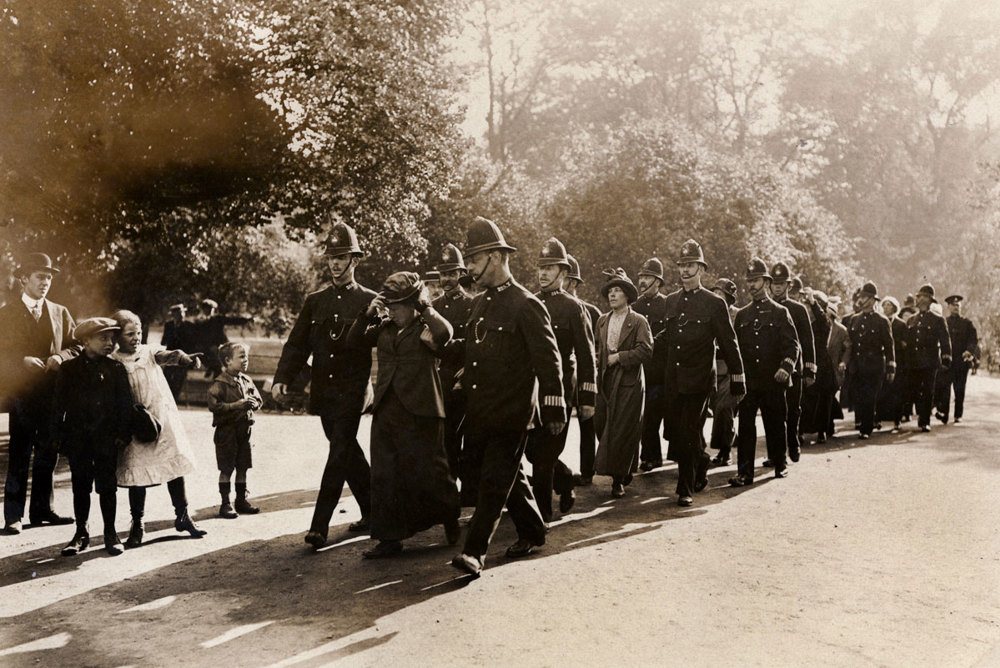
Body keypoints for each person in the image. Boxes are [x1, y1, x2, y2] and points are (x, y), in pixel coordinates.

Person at [445, 216, 564, 577]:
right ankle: (533, 528)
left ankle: (474, 553)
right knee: (497, 474)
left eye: (475, 260)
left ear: (495, 257)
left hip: (512, 412)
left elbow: (549, 359)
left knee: (493, 482)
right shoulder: (481, 303)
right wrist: (442, 348)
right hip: (481, 409)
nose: (470, 268)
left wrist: (553, 406)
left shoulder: (526, 304)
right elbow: (474, 348)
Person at [272, 223, 376, 549]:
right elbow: (297, 345)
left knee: (339, 451)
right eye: (331, 256)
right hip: (324, 391)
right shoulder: (315, 300)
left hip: (352, 390)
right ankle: (377, 511)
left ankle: (319, 526)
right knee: (347, 452)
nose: (334, 263)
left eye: (341, 256)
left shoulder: (370, 301)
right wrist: (282, 378)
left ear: (354, 260)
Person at [346, 272, 460, 558]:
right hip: (387, 407)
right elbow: (353, 343)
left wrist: (426, 307)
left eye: (398, 305)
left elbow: (446, 333)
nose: (392, 310)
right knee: (384, 473)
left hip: (422, 409)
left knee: (431, 471)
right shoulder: (384, 327)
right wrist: (367, 312)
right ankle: (389, 538)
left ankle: (448, 516)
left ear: (413, 304)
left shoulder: (426, 326)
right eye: (389, 305)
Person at [655, 241, 744, 507]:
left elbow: (729, 342)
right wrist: (643, 345)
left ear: (701, 269)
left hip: (700, 380)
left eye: (690, 265)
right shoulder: (671, 301)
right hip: (674, 379)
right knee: (675, 432)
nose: (685, 270)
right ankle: (701, 460)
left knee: (687, 431)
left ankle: (685, 488)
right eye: (681, 265)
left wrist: (739, 377)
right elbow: (668, 337)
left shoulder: (714, 303)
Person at [110, 309, 206, 548]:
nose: (136, 338)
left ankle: (182, 515)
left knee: (172, 464)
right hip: (133, 421)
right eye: (130, 333)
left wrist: (183, 358)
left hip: (160, 416)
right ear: (117, 336)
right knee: (137, 472)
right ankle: (137, 523)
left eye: (139, 332)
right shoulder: (113, 360)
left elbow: (167, 355)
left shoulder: (148, 351)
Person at [1, 253, 78, 535]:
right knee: (20, 453)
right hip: (22, 396)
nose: (45, 282)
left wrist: (61, 356)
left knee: (49, 453)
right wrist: (21, 361)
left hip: (53, 397)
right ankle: (13, 517)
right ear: (24, 279)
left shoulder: (60, 312)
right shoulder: (6, 314)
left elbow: (76, 347)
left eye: (48, 278)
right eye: (40, 277)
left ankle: (43, 510)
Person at [50, 318, 134, 556]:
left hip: (107, 439)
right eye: (103, 338)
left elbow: (125, 405)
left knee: (107, 487)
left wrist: (122, 433)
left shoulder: (116, 369)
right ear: (85, 341)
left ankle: (110, 532)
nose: (110, 343)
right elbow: (58, 406)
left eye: (111, 338)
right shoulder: (69, 370)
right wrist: (57, 436)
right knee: (80, 486)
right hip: (78, 439)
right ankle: (81, 532)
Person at [528, 238, 597, 520]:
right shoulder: (530, 303)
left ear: (564, 274)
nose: (543, 273)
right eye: (541, 268)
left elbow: (586, 355)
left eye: (550, 268)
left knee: (544, 457)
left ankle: (541, 518)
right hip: (530, 389)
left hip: (559, 390)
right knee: (533, 453)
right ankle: (565, 477)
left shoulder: (573, 308)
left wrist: (587, 399)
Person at [729, 258, 799, 486]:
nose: (752, 285)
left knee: (776, 424)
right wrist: (737, 378)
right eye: (749, 280)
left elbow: (793, 345)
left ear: (766, 282)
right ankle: (744, 472)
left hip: (774, 380)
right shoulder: (742, 315)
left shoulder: (780, 312)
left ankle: (780, 464)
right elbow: (736, 348)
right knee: (746, 426)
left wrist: (786, 367)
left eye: (756, 280)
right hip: (750, 382)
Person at [594, 268, 653, 498]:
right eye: (610, 291)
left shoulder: (638, 321)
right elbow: (597, 352)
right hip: (605, 381)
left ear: (627, 296)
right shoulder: (601, 320)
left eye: (618, 291)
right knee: (601, 424)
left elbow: (646, 351)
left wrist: (620, 357)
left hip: (628, 382)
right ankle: (618, 467)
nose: (613, 295)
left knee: (622, 430)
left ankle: (618, 479)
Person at [432, 243, 474, 490]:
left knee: (467, 437)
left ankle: (467, 491)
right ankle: (448, 490)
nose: (446, 279)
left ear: (461, 274)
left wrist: (468, 367)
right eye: (443, 274)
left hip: (464, 380)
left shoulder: (471, 304)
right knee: (444, 439)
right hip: (440, 380)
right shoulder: (434, 307)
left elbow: (475, 342)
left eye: (451, 274)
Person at [208, 342, 263, 518]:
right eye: (241, 357)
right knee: (227, 468)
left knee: (243, 466)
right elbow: (214, 406)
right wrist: (235, 406)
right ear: (228, 361)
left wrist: (255, 404)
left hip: (244, 431)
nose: (245, 360)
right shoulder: (220, 383)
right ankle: (225, 503)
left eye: (246, 356)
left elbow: (258, 400)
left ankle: (241, 500)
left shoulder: (247, 380)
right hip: (227, 432)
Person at [768, 262, 816, 463]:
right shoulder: (768, 308)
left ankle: (793, 442)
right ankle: (776, 454)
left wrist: (810, 369)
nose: (777, 288)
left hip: (794, 368)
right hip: (773, 368)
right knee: (774, 412)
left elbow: (807, 340)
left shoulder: (798, 309)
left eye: (781, 284)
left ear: (788, 286)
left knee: (793, 409)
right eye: (774, 284)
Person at [566, 254, 602, 486]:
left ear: (575, 284)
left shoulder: (591, 311)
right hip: (566, 376)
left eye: (569, 280)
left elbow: (597, 347)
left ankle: (587, 471)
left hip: (587, 375)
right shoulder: (548, 307)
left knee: (588, 425)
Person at [842, 282, 895, 439]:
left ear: (872, 300)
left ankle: (866, 428)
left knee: (870, 396)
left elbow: (889, 345)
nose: (861, 300)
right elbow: (849, 344)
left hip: (874, 366)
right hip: (857, 366)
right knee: (859, 395)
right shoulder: (854, 320)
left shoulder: (882, 321)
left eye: (865, 297)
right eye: (861, 297)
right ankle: (864, 422)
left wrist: (891, 367)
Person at [632, 257, 668, 472]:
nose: (643, 281)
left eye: (648, 277)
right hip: (641, 370)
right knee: (646, 416)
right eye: (642, 277)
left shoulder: (667, 304)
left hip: (661, 370)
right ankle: (650, 456)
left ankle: (660, 455)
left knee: (658, 415)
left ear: (658, 281)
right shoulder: (634, 306)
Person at [907, 284, 952, 432]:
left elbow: (945, 340)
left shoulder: (938, 320)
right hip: (913, 361)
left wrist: (946, 358)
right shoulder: (912, 319)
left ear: (928, 298)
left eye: (920, 296)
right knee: (913, 390)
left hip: (929, 361)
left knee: (927, 391)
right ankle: (921, 414)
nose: (917, 299)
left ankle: (924, 420)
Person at [709, 278, 740, 465]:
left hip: (731, 371)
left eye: (720, 294)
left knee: (725, 408)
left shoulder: (737, 315)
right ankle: (721, 449)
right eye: (714, 293)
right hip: (713, 370)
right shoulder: (708, 314)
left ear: (729, 298)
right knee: (717, 410)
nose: (716, 297)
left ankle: (727, 451)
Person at [937, 295, 978, 423]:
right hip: (947, 361)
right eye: (953, 305)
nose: (956, 307)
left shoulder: (967, 323)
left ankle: (958, 414)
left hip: (961, 361)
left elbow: (973, 340)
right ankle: (944, 414)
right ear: (948, 307)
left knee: (959, 389)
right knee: (944, 389)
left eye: (958, 305)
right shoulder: (944, 322)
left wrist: (969, 351)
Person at [191, 298, 253, 379]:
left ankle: (215, 373)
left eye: (211, 309)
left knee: (219, 362)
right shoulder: (199, 321)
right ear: (203, 310)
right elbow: (197, 335)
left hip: (220, 345)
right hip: (207, 347)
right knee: (204, 355)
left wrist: (246, 320)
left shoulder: (218, 319)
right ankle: (212, 368)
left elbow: (231, 320)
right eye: (206, 309)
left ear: (213, 309)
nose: (209, 311)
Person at [878, 297, 909, 431]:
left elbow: (905, 343)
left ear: (894, 307)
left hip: (898, 361)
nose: (886, 307)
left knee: (897, 391)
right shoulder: (878, 322)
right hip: (882, 361)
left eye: (889, 305)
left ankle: (897, 420)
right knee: (881, 391)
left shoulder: (901, 324)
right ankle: (878, 418)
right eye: (884, 305)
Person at [161, 303, 195, 401]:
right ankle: (166, 398)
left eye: (182, 313)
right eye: (177, 313)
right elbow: (164, 341)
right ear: (173, 315)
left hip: (184, 357)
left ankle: (173, 399)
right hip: (170, 356)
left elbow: (191, 343)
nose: (181, 315)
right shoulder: (169, 325)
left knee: (179, 377)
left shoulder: (189, 326)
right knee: (165, 376)